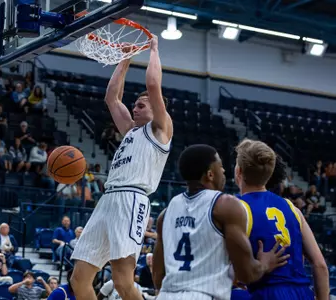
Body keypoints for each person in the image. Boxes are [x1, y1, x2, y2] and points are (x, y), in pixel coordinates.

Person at [70, 35, 173, 300]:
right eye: (134, 105)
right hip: (108, 199)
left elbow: (153, 85)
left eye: (140, 105)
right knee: (79, 279)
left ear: (156, 109)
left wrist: (153, 49)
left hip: (132, 199)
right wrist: (125, 59)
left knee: (122, 281)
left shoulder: (160, 129)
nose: (134, 108)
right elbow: (112, 98)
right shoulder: (129, 130)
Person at [152, 144, 289, 300]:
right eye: (220, 166)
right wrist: (265, 264)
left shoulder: (165, 214)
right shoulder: (225, 205)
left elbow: (158, 276)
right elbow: (247, 274)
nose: (224, 171)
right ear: (210, 175)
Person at [234, 139, 329, 300]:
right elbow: (320, 266)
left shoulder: (235, 208)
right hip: (302, 293)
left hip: (267, 293)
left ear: (239, 171)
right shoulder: (293, 208)